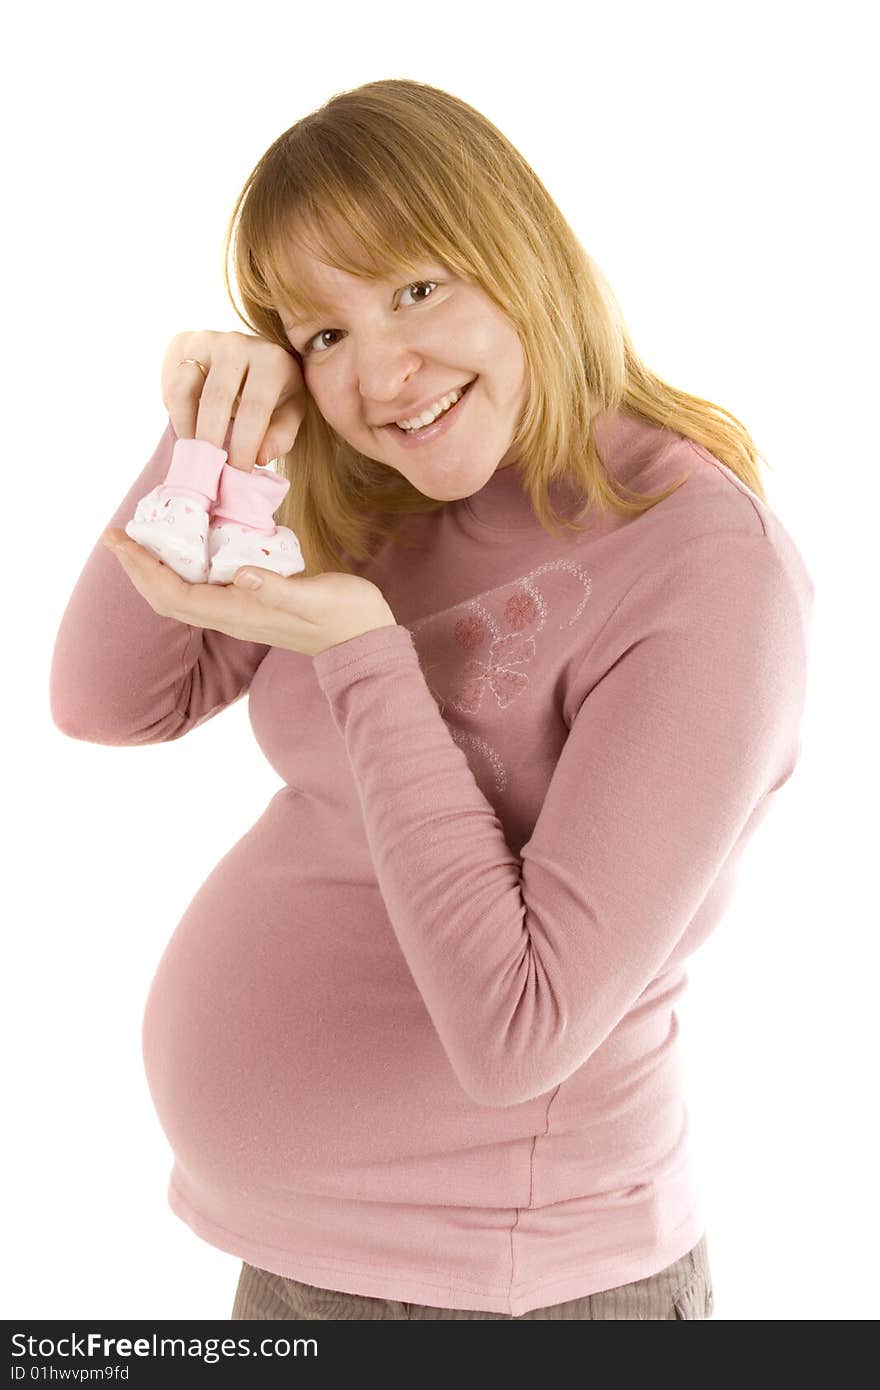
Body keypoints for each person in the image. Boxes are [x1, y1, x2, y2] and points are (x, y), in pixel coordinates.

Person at [49, 78, 814, 1320]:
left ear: (521, 253)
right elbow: (106, 697)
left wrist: (363, 650)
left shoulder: (704, 566)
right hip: (295, 1268)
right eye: (322, 333)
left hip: (514, 1293)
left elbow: (522, 1032)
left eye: (414, 289)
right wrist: (209, 441)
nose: (384, 374)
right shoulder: (377, 486)